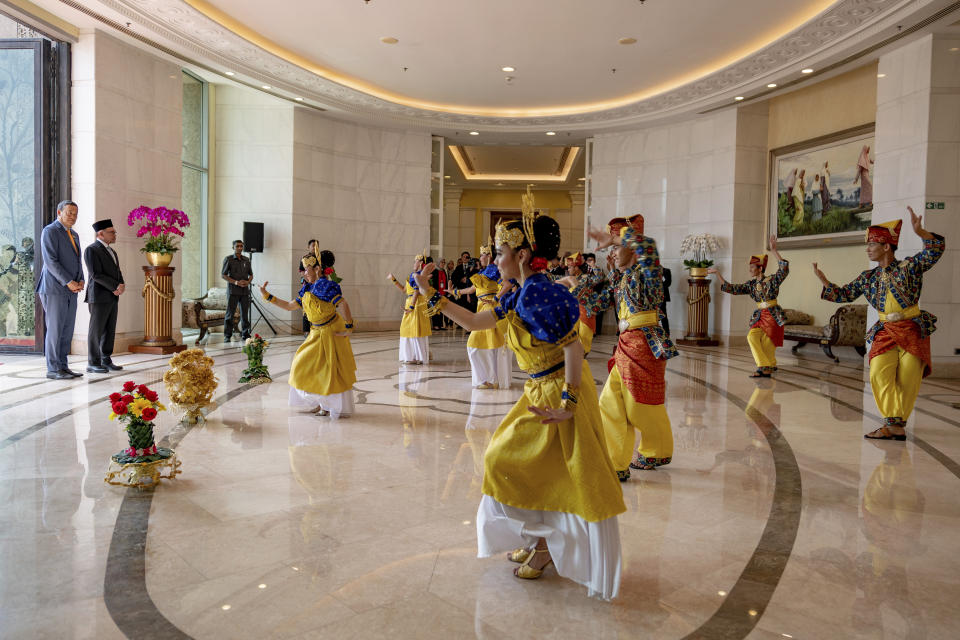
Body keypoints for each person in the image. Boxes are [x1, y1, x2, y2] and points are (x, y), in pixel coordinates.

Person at [413, 200, 625, 600]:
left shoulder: (540, 295)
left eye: (500, 252)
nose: (495, 259)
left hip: (558, 396)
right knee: (523, 466)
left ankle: (544, 547)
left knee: (526, 466)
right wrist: (432, 297)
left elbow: (573, 349)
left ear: (522, 254)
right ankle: (539, 540)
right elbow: (477, 322)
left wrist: (568, 404)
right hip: (537, 391)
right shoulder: (519, 292)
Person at [814, 208, 944, 440]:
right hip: (885, 331)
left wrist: (920, 231)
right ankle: (894, 422)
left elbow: (934, 251)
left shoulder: (910, 268)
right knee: (878, 373)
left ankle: (894, 425)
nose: (868, 249)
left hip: (913, 328)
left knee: (908, 379)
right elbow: (844, 294)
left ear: (886, 247)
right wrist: (825, 282)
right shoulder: (868, 277)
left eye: (872, 244)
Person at [585, 215, 678, 477]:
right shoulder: (622, 278)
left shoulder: (650, 274)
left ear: (631, 247)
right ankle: (616, 463)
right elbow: (597, 303)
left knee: (640, 405)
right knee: (610, 402)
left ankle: (656, 450)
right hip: (626, 343)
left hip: (646, 343)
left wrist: (618, 238)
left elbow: (648, 246)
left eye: (616, 246)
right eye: (612, 247)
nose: (612, 252)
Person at [261, 250, 357, 418]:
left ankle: (326, 405)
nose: (303, 272)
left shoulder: (325, 286)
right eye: (304, 269)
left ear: (317, 269)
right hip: (316, 332)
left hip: (331, 332)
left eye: (306, 269)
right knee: (301, 364)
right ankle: (320, 402)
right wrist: (268, 296)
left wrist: (349, 326)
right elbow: (290, 306)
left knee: (328, 371)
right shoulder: (307, 288)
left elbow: (343, 303)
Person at [709, 236, 789, 378]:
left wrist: (774, 251)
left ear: (760, 268)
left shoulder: (772, 280)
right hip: (760, 316)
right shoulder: (751, 285)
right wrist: (717, 274)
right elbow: (733, 288)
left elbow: (783, 269)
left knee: (767, 343)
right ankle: (766, 365)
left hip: (773, 316)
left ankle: (767, 366)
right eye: (750, 267)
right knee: (752, 336)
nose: (750, 270)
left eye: (752, 267)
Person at [450, 239, 511, 389]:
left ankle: (491, 380)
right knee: (484, 345)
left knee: (485, 345)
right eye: (481, 254)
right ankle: (488, 379)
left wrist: (496, 298)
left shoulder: (495, 270)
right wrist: (455, 292)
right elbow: (472, 289)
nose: (481, 257)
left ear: (490, 255)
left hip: (490, 307)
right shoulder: (484, 271)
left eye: (484, 254)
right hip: (481, 307)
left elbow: (508, 284)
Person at [37, 200, 84, 379]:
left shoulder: (75, 234)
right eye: (69, 213)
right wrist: (68, 281)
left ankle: (63, 367)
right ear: (59, 213)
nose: (73, 216)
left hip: (71, 289)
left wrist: (80, 280)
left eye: (75, 213)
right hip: (54, 288)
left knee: (67, 329)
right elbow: (50, 261)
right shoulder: (50, 231)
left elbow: (77, 260)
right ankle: (53, 369)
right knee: (56, 330)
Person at [83, 219, 125, 373]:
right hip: (99, 297)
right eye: (111, 232)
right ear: (100, 233)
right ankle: (93, 362)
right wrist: (114, 286)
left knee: (109, 329)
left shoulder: (112, 251)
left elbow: (117, 271)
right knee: (96, 330)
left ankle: (105, 359)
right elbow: (96, 274)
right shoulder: (91, 250)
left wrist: (121, 284)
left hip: (113, 296)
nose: (115, 234)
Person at [387, 249, 431, 365]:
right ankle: (418, 355)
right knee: (414, 330)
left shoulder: (416, 275)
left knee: (412, 330)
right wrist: (393, 279)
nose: (414, 264)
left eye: (415, 261)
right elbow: (404, 290)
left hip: (415, 304)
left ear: (421, 263)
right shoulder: (414, 275)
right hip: (415, 303)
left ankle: (414, 357)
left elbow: (416, 291)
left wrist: (411, 306)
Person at [221, 239, 253, 342]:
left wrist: (248, 282)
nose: (239, 248)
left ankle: (245, 334)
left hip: (244, 291)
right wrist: (236, 282)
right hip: (233, 291)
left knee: (244, 314)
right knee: (230, 314)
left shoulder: (246, 260)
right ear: (233, 247)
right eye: (237, 246)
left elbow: (251, 274)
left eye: (241, 246)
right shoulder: (228, 259)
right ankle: (227, 335)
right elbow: (223, 275)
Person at [299, 239, 319, 334]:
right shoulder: (305, 258)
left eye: (317, 246)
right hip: (308, 285)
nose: (315, 248)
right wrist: (311, 282)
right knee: (306, 307)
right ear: (308, 247)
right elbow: (302, 272)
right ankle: (306, 331)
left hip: (319, 285)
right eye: (313, 246)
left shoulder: (320, 258)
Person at [660, 265, 672, 337]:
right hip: (652, 296)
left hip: (662, 296)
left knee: (663, 316)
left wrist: (658, 286)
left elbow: (668, 282)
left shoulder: (666, 270)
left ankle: (666, 334)